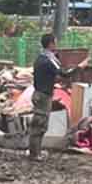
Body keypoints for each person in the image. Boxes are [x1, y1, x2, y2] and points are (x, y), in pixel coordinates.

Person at [27, 34, 75, 163]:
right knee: (40, 125)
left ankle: (35, 152)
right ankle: (34, 154)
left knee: (39, 124)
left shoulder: (41, 58)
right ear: (51, 44)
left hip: (39, 93)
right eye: (55, 42)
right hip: (43, 95)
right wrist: (80, 66)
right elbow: (64, 73)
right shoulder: (48, 59)